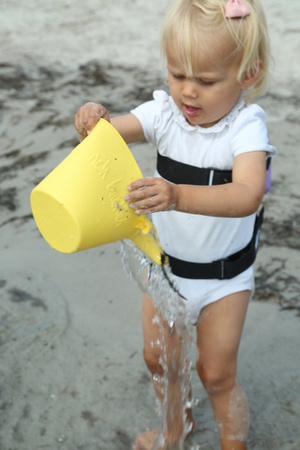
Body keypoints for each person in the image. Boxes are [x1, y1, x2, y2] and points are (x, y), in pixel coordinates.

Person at [74, 0, 277, 448]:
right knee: (158, 361)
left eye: (205, 81)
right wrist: (93, 119)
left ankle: (233, 444)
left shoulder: (246, 127)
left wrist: (177, 195)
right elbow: (108, 133)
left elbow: (247, 193)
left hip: (224, 279)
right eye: (177, 74)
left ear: (249, 75)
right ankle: (174, 431)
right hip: (164, 270)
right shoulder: (165, 114)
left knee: (217, 373)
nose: (188, 92)